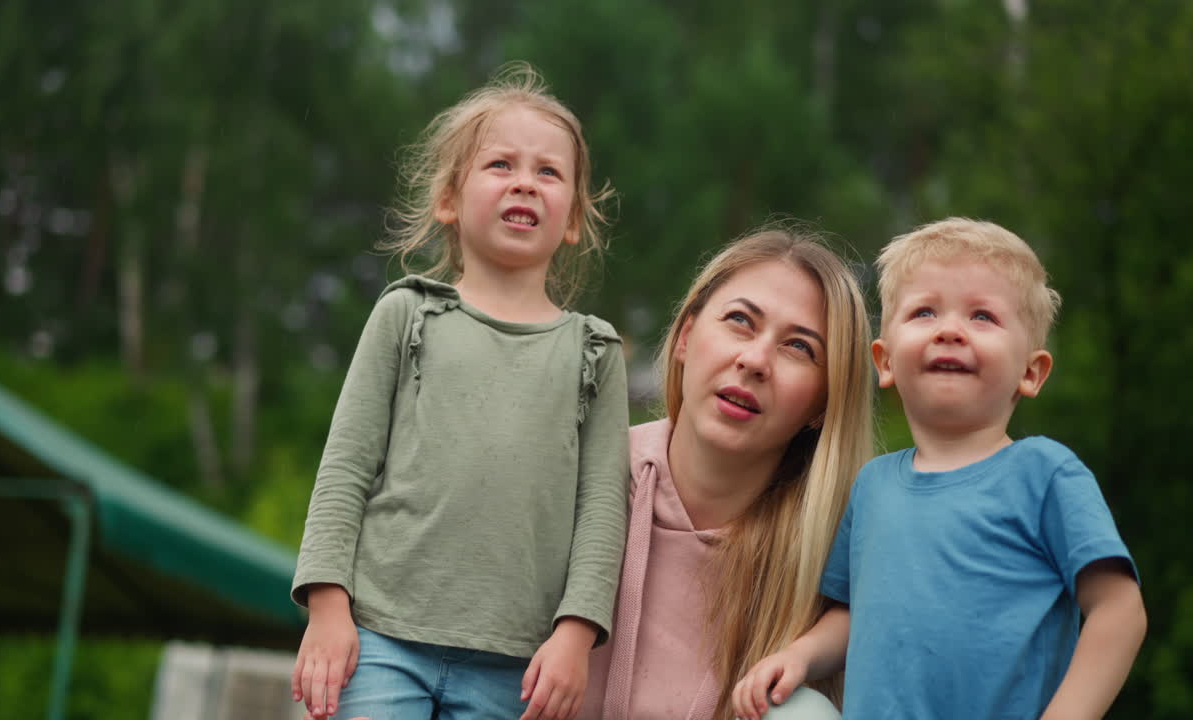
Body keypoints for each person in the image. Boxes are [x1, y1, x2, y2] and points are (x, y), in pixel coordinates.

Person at [289, 62, 629, 720]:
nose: (525, 183)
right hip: (381, 640)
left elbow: (602, 513)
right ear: (449, 199)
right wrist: (328, 608)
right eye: (500, 165)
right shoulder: (406, 315)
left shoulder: (595, 352)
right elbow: (345, 468)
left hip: (517, 667)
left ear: (573, 222)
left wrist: (576, 634)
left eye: (549, 172)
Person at [734, 218, 1147, 719]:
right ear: (884, 362)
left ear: (1031, 372)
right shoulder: (873, 485)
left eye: (983, 317)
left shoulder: (1044, 474)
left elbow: (1119, 611)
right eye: (925, 312)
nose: (950, 330)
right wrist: (798, 655)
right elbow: (852, 614)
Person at [579, 227, 876, 720]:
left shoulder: (838, 546)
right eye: (740, 320)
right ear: (686, 336)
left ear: (823, 405)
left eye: (799, 348)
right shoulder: (582, 477)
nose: (755, 360)